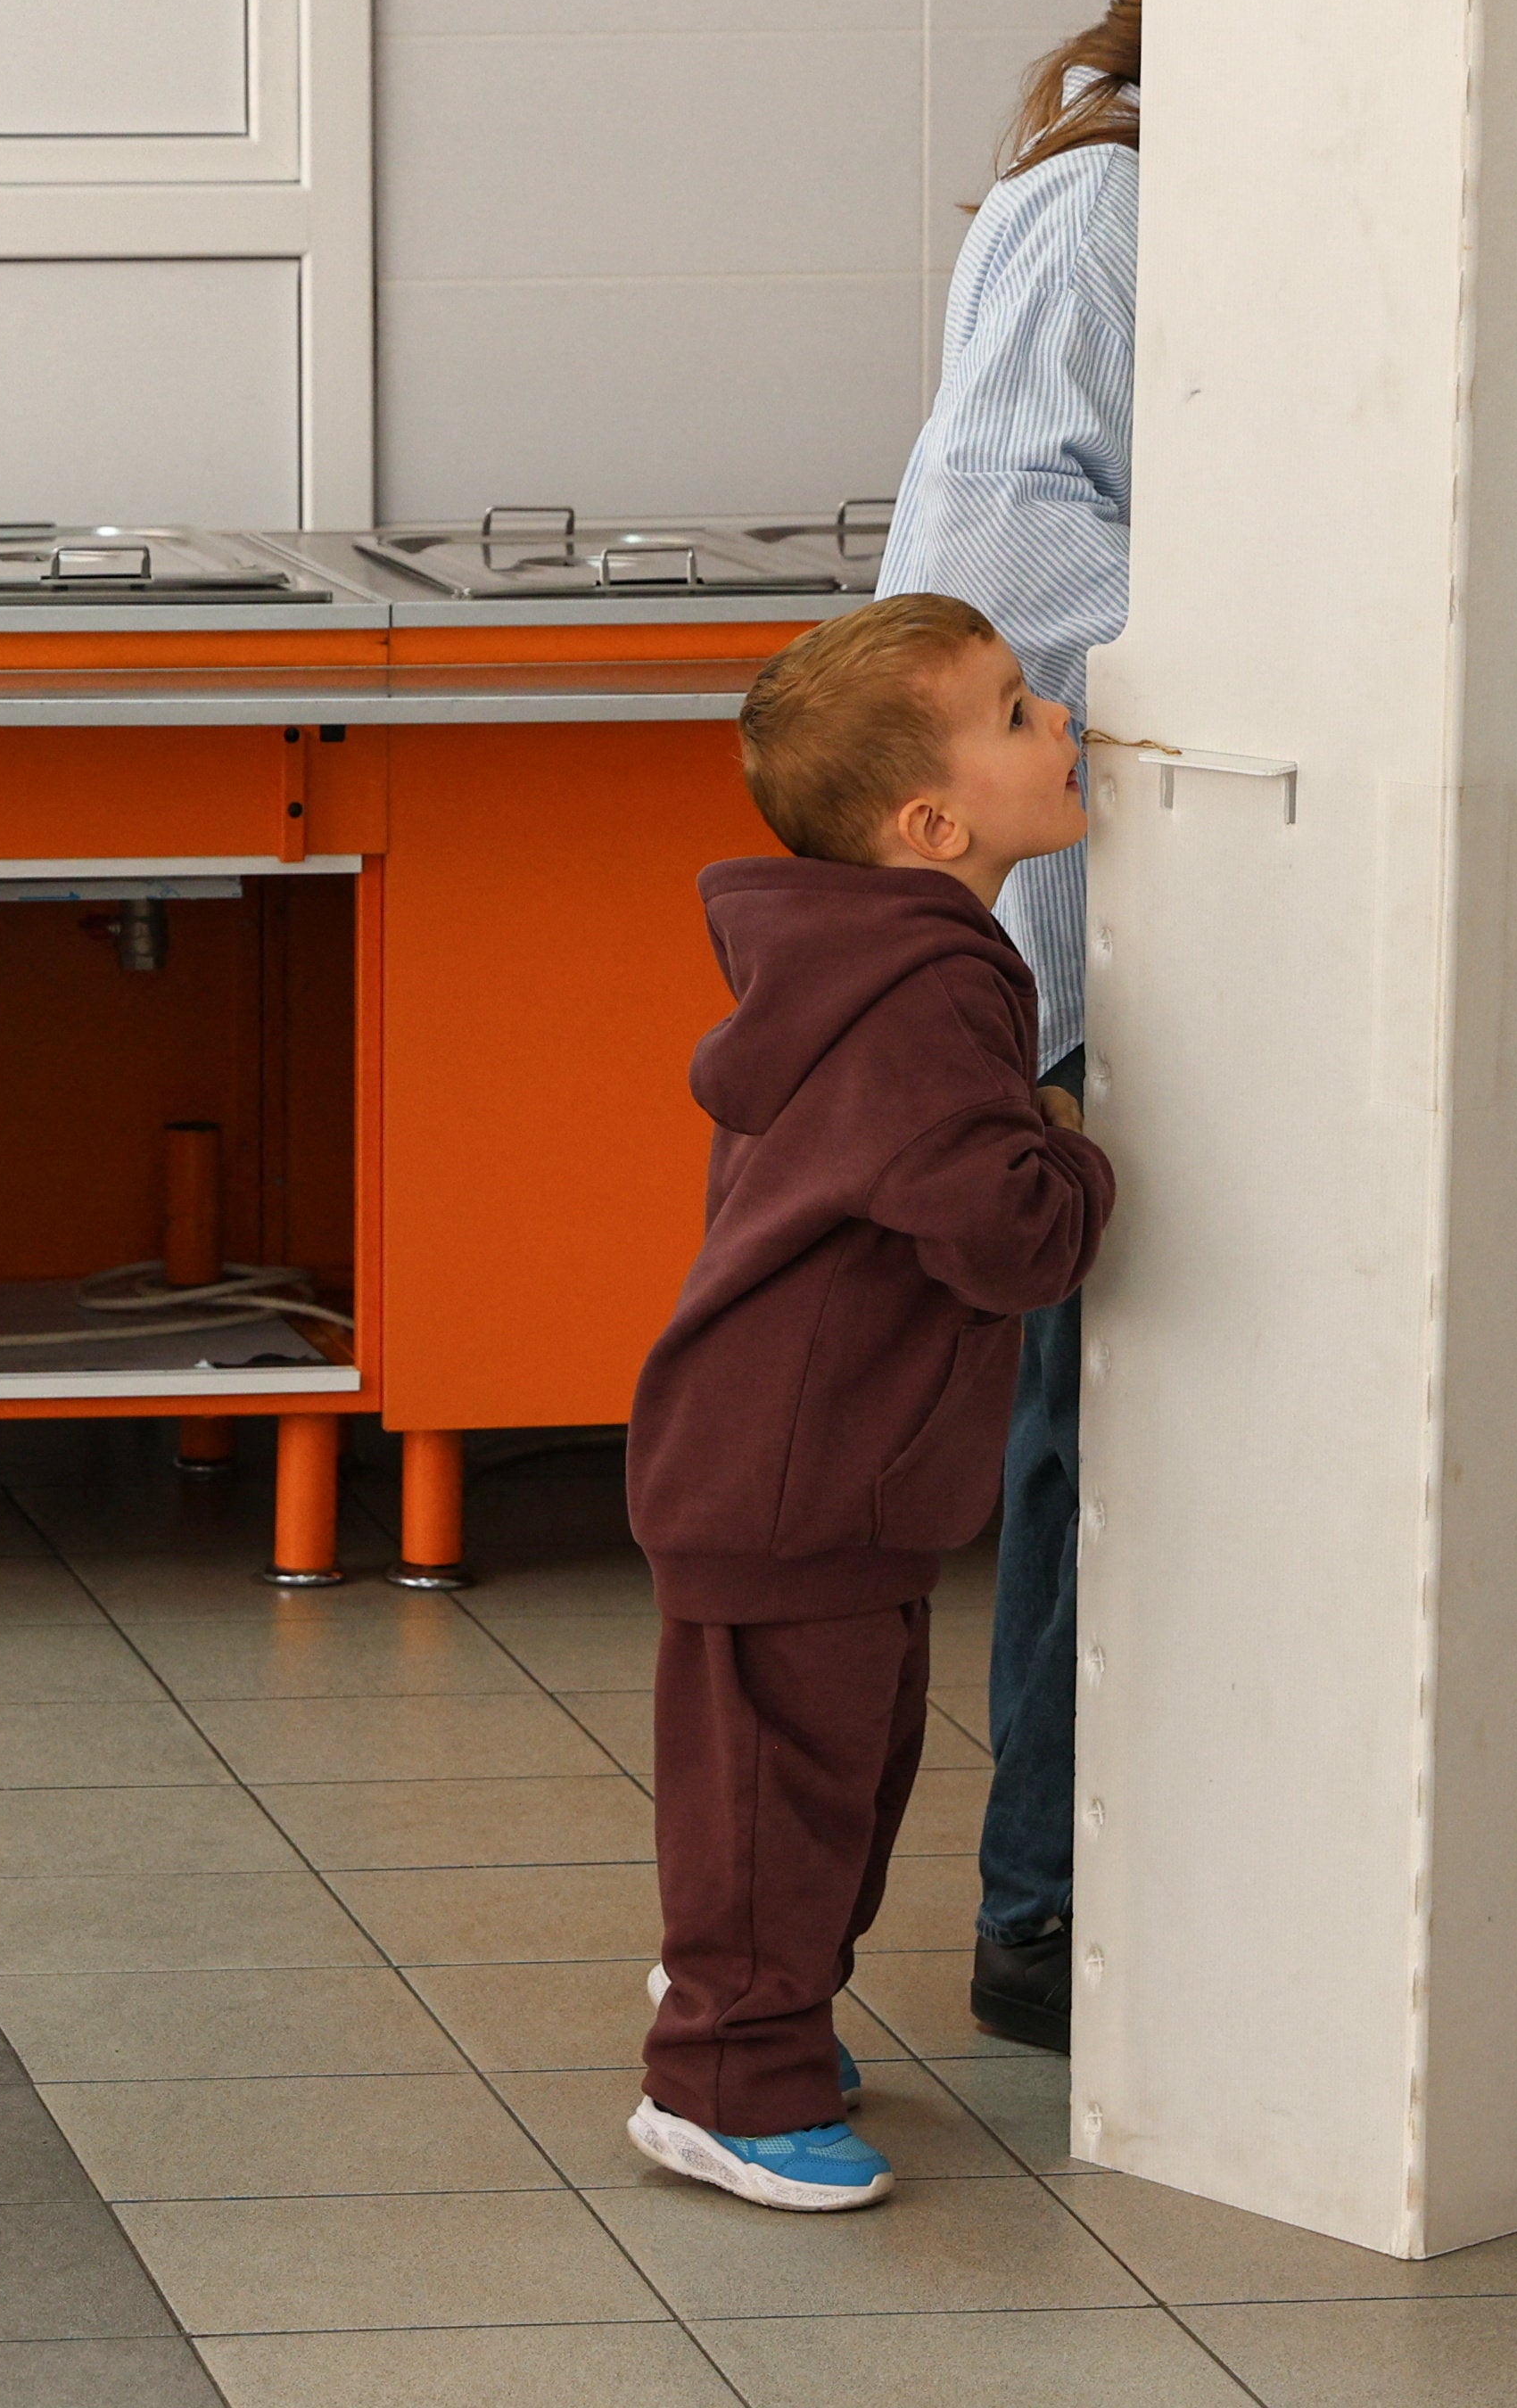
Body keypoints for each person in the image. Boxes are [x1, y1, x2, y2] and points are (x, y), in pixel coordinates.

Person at [624, 595, 1115, 2212]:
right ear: (935, 820)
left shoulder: (885, 963)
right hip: (795, 1469)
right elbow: (1002, 1229)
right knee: (780, 1791)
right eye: (1018, 708)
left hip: (818, 1467)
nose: (1061, 720)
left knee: (828, 1777)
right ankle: (721, 2082)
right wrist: (1083, 1151)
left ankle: (766, 2020)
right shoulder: (922, 992)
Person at [874, 0, 1140, 2055]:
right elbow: (999, 559)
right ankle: (1043, 1916)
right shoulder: (1104, 205)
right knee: (1095, 1435)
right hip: (1098, 939)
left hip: (1222, 918)